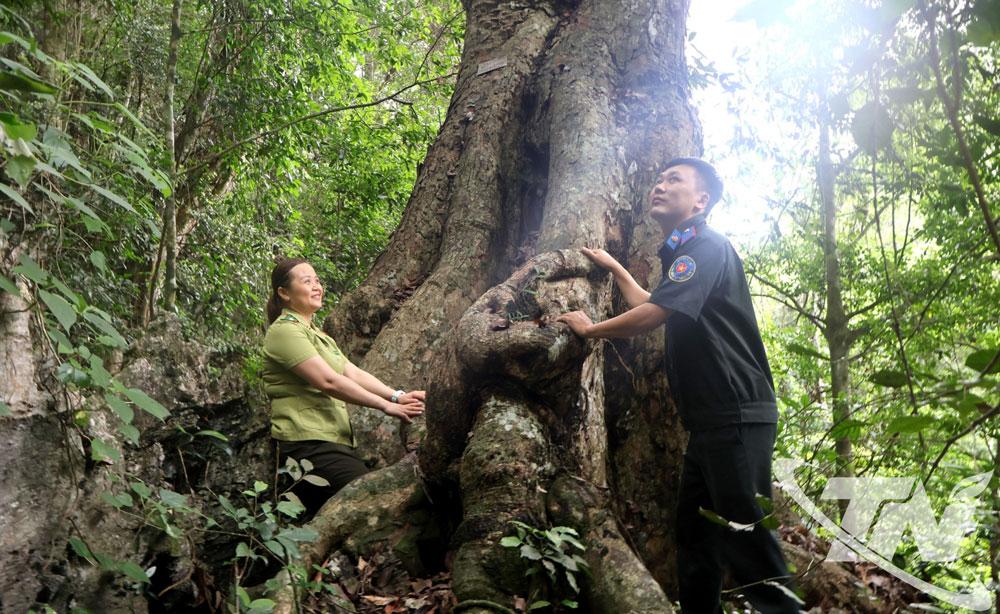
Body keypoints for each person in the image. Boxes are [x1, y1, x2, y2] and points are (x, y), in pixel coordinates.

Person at [557, 158, 800, 613]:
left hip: (737, 417)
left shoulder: (705, 246)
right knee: (695, 544)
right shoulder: (684, 253)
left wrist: (591, 330)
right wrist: (616, 269)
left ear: (701, 200)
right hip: (709, 425)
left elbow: (653, 316)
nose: (660, 185)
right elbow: (658, 302)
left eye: (675, 180)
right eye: (660, 178)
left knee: (751, 548)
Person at [262, 257, 426, 512]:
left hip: (334, 441)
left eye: (317, 280)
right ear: (283, 293)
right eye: (307, 281)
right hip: (308, 444)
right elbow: (328, 381)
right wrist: (385, 407)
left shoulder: (318, 335)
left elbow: (352, 372)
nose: (316, 286)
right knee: (373, 505)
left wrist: (397, 397)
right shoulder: (285, 331)